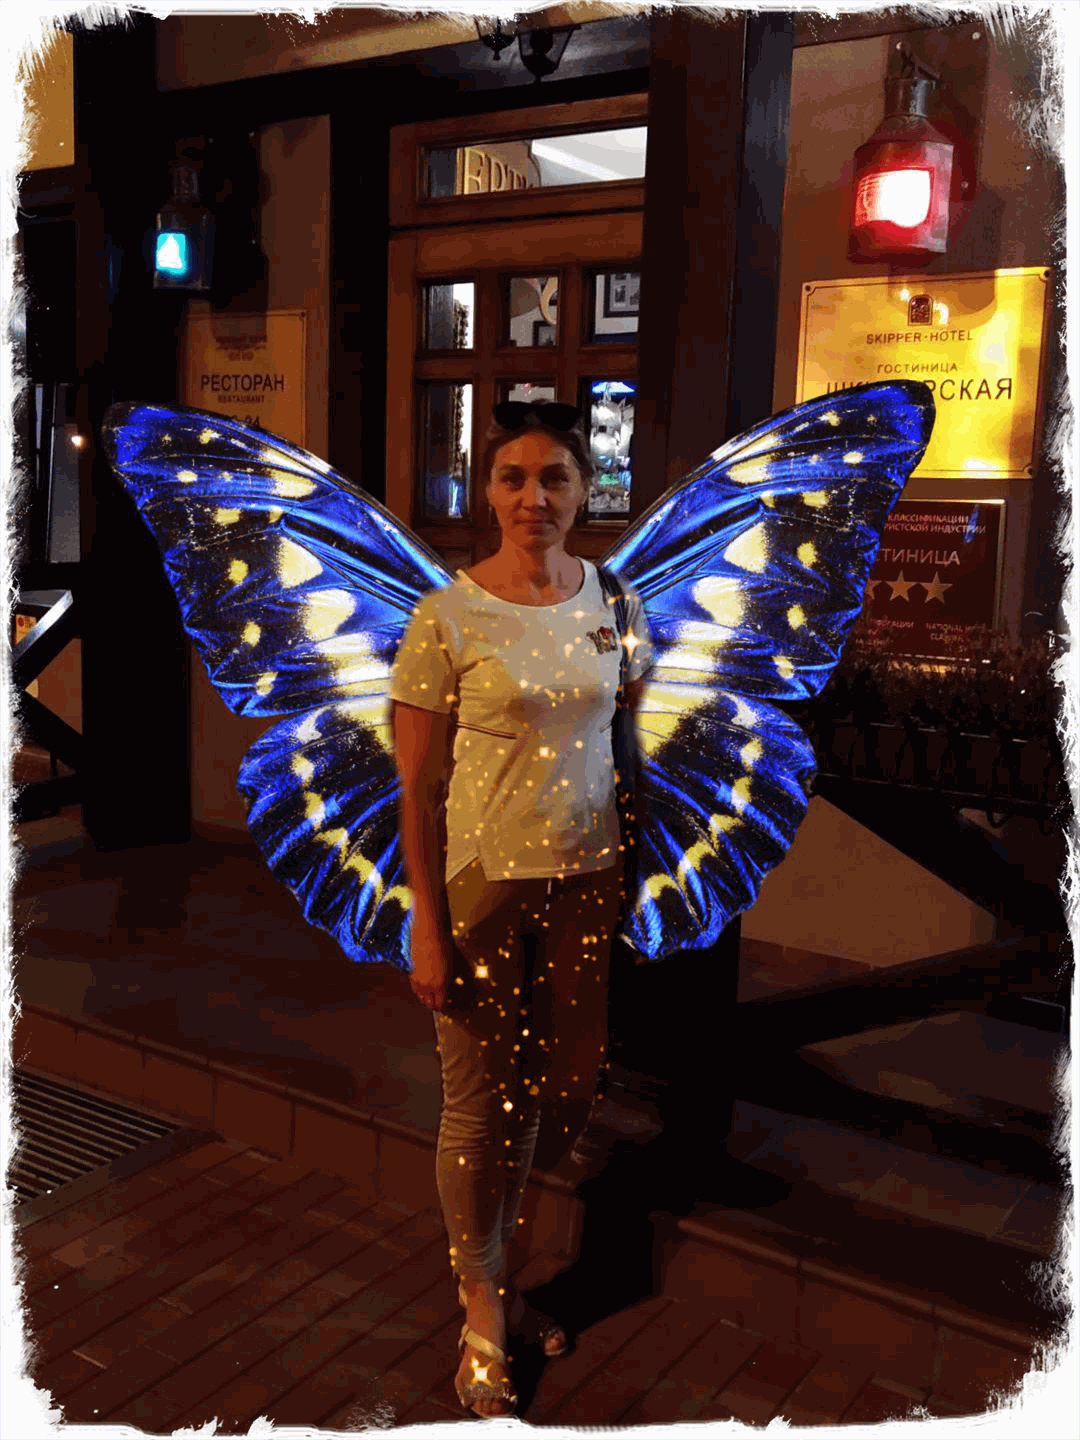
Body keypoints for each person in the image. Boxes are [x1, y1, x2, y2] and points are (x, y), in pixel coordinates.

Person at [389, 402, 652, 1417]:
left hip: (588, 883)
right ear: (487, 492)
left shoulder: (614, 602)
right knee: (479, 1103)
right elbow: (416, 790)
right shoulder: (447, 617)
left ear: (585, 492)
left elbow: (620, 743)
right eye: (512, 477)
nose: (533, 497)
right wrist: (425, 922)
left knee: (565, 1094)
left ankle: (506, 1268)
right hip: (484, 889)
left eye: (555, 478)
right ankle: (481, 1307)